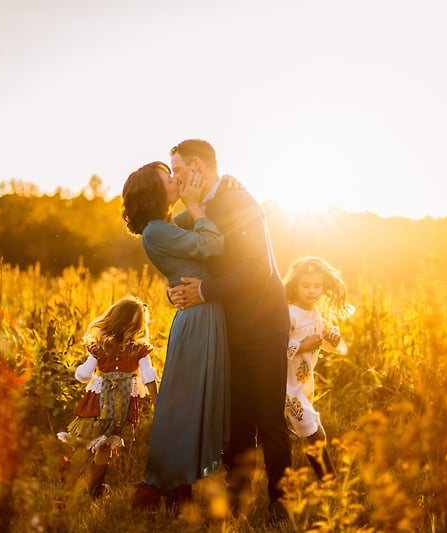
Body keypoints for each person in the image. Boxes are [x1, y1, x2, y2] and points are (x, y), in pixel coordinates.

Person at [166, 139, 292, 523]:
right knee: (238, 420)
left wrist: (202, 291)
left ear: (199, 167)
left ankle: (281, 502)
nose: (175, 178)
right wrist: (176, 287)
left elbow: (256, 271)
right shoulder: (198, 210)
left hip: (264, 326)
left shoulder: (240, 203)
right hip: (229, 330)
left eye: (178, 170)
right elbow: (173, 242)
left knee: (269, 419)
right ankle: (238, 501)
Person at [121, 161, 230, 512]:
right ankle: (163, 485)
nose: (174, 178)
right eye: (167, 177)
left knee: (194, 401)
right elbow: (212, 244)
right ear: (154, 192)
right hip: (198, 318)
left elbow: (197, 219)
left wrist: (199, 193)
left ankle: (179, 485)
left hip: (203, 313)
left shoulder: (167, 224)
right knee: (183, 405)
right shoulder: (156, 231)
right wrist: (196, 205)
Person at [56, 296, 159, 498]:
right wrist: (157, 401)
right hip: (121, 408)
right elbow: (148, 376)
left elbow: (85, 374)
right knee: (104, 446)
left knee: (83, 444)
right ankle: (93, 489)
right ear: (138, 325)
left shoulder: (101, 346)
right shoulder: (139, 349)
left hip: (96, 403)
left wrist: (81, 373)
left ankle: (65, 490)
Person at [282, 256, 354, 480]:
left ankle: (322, 480)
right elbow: (275, 348)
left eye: (317, 286)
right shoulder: (290, 313)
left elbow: (327, 344)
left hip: (302, 384)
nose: (312, 291)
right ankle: (328, 480)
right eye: (306, 286)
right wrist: (303, 345)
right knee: (314, 431)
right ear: (295, 286)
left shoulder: (315, 314)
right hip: (285, 384)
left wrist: (332, 338)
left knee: (301, 428)